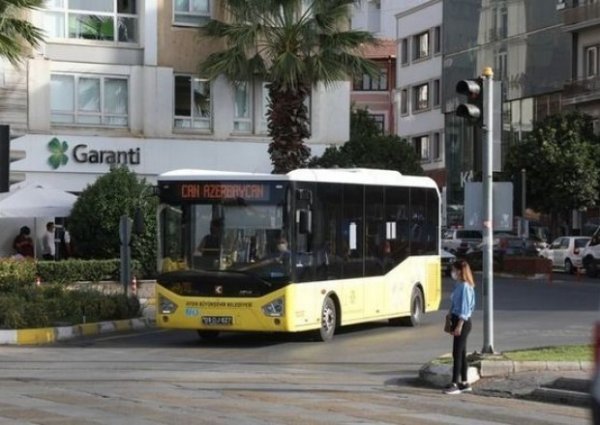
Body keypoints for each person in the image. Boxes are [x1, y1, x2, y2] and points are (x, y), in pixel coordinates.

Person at [444, 259, 476, 395]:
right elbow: (455, 304)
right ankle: (464, 382)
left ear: (459, 271)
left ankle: (454, 384)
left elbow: (465, 309)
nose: (452, 272)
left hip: (463, 322)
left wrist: (459, 325)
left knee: (456, 353)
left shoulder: (465, 287)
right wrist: (449, 315)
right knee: (461, 353)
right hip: (457, 319)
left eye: (454, 270)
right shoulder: (459, 285)